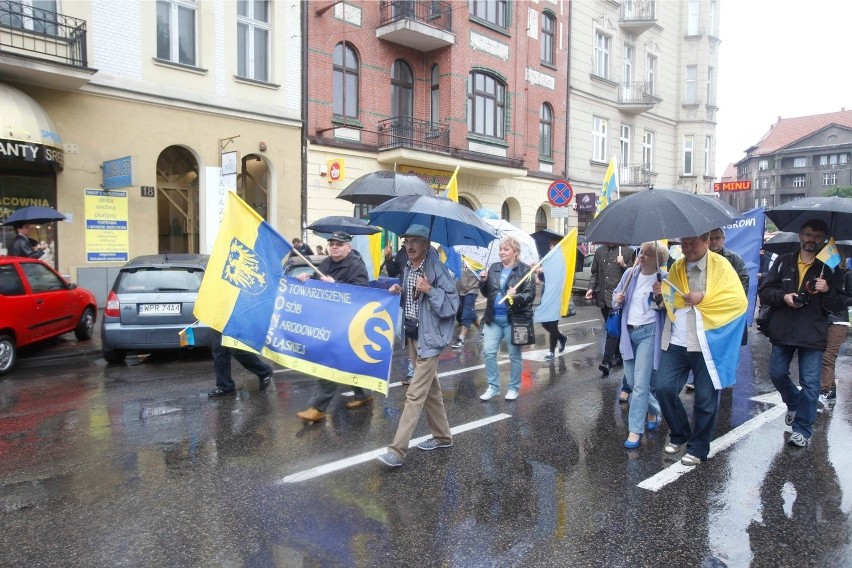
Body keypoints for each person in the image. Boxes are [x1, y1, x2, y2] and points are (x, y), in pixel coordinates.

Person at [656, 232, 747, 466]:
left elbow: (737, 300)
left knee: (705, 398)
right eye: (684, 243)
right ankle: (680, 433)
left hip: (708, 342)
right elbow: (672, 299)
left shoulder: (722, 265)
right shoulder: (676, 266)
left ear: (706, 242)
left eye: (692, 243)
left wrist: (703, 297)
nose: (687, 248)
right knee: (663, 387)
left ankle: (698, 447)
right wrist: (661, 292)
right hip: (677, 340)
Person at [376, 224, 458, 468]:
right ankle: (443, 436)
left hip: (429, 339)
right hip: (412, 335)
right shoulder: (408, 267)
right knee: (431, 390)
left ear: (425, 244)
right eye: (407, 242)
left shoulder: (436, 268)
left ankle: (397, 450)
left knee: (414, 394)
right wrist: (399, 290)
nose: (409, 246)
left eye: (415, 241)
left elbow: (452, 304)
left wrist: (430, 290)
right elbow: (412, 301)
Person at [759, 219, 843, 447]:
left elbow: (839, 304)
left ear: (824, 240)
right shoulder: (784, 262)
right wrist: (784, 297)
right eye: (807, 234)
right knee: (777, 373)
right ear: (800, 235)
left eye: (817, 237)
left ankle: (802, 429)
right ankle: (793, 402)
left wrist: (826, 291)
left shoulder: (831, 267)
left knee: (810, 383)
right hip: (783, 329)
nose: (811, 240)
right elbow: (765, 291)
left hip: (813, 332)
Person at [295, 231, 372, 422]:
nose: (334, 247)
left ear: (349, 247)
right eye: (332, 244)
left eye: (339, 244)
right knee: (348, 361)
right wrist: (307, 278)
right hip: (329, 319)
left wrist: (336, 284)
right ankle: (364, 394)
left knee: (329, 362)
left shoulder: (357, 266)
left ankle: (319, 408)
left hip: (347, 323)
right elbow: (316, 280)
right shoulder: (327, 263)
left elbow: (360, 293)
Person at [612, 241, 668, 448]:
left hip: (649, 333)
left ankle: (635, 430)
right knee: (634, 384)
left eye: (647, 254)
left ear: (659, 259)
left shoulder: (664, 278)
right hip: (628, 333)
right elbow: (614, 299)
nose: (641, 257)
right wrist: (618, 299)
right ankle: (653, 410)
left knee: (642, 384)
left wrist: (660, 294)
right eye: (640, 253)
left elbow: (668, 308)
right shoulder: (630, 274)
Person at [478, 235, 536, 401]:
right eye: (500, 249)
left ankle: (513, 388)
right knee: (488, 352)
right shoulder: (494, 267)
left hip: (514, 320)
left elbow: (530, 295)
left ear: (515, 252)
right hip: (493, 318)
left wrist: (515, 295)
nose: (501, 252)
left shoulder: (525, 270)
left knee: (514, 355)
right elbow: (487, 293)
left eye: (506, 249)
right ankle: (493, 387)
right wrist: (483, 282)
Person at [586, 243, 635, 376]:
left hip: (618, 298)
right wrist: (591, 288)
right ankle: (618, 355)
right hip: (603, 298)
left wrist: (624, 265)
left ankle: (606, 361)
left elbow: (634, 275)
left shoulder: (628, 251)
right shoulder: (600, 251)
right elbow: (595, 273)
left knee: (612, 329)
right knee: (612, 329)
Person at [820, 254, 851, 403]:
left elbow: (848, 298)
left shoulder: (847, 275)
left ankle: (826, 389)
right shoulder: (824, 273)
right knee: (821, 355)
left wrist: (834, 294)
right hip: (824, 319)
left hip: (839, 321)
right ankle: (830, 387)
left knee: (828, 357)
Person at [208, 330, 274, 398]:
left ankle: (264, 371)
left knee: (236, 349)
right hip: (218, 321)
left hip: (231, 320)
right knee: (219, 350)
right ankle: (225, 386)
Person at [384, 242, 414, 384]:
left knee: (414, 338)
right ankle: (416, 361)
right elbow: (392, 272)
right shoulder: (402, 252)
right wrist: (388, 258)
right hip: (402, 300)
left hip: (417, 304)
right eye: (406, 240)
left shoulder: (430, 253)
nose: (408, 243)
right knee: (400, 333)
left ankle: (412, 372)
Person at [535, 237, 567, 361]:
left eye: (553, 245)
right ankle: (562, 338)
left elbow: (562, 278)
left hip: (556, 295)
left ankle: (551, 351)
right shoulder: (547, 260)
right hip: (546, 295)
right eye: (550, 245)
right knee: (544, 323)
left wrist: (547, 271)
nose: (551, 247)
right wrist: (539, 272)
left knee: (553, 324)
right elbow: (541, 279)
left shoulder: (562, 260)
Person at [708, 228, 749, 295]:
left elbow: (743, 280)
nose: (714, 241)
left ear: (723, 239)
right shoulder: (701, 257)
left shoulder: (734, 258)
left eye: (717, 238)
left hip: (727, 298)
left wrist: (738, 299)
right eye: (711, 238)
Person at [452, 262, 482, 348]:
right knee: (469, 313)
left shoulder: (476, 258)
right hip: (460, 289)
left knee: (467, 312)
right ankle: (483, 331)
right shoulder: (459, 254)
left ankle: (461, 339)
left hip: (472, 289)